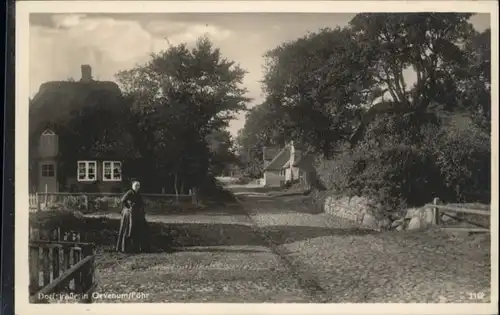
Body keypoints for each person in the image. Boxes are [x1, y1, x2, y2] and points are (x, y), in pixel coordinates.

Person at [116, 181, 149, 253]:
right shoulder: (130, 192)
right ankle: (125, 248)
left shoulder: (138, 194)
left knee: (138, 228)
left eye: (138, 186)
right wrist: (129, 207)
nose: (137, 187)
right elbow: (123, 200)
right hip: (129, 214)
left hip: (137, 214)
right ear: (133, 186)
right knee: (128, 229)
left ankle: (136, 248)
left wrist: (142, 210)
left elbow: (141, 203)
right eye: (136, 186)